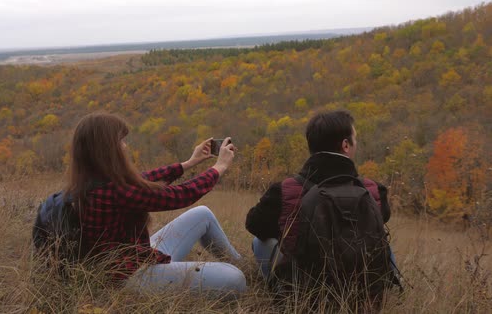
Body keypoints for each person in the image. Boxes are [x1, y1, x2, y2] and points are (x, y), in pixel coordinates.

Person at [65, 112, 246, 296]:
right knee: (235, 279)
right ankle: (236, 270)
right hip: (131, 276)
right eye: (121, 141)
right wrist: (219, 167)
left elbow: (144, 180)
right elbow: (181, 195)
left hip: (136, 256)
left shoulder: (91, 180)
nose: (125, 146)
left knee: (202, 214)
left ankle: (240, 262)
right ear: (107, 148)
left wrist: (188, 163)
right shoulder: (114, 190)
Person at [245, 110, 396, 299]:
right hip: (362, 294)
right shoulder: (373, 191)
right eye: (355, 139)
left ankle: (280, 291)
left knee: (260, 241)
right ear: (346, 145)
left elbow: (254, 224)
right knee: (382, 240)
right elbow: (383, 217)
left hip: (304, 295)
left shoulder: (284, 190)